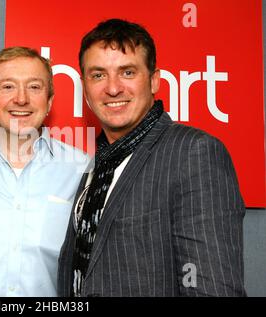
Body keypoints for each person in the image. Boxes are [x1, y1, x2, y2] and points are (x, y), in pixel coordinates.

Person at [57, 19, 246, 297]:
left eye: (127, 72)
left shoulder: (193, 152)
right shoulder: (96, 165)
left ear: (155, 80)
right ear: (84, 89)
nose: (112, 88)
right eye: (98, 75)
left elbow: (212, 288)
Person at [0, 47, 89, 297]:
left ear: (49, 100)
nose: (21, 99)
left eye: (34, 87)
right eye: (7, 87)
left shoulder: (82, 170)